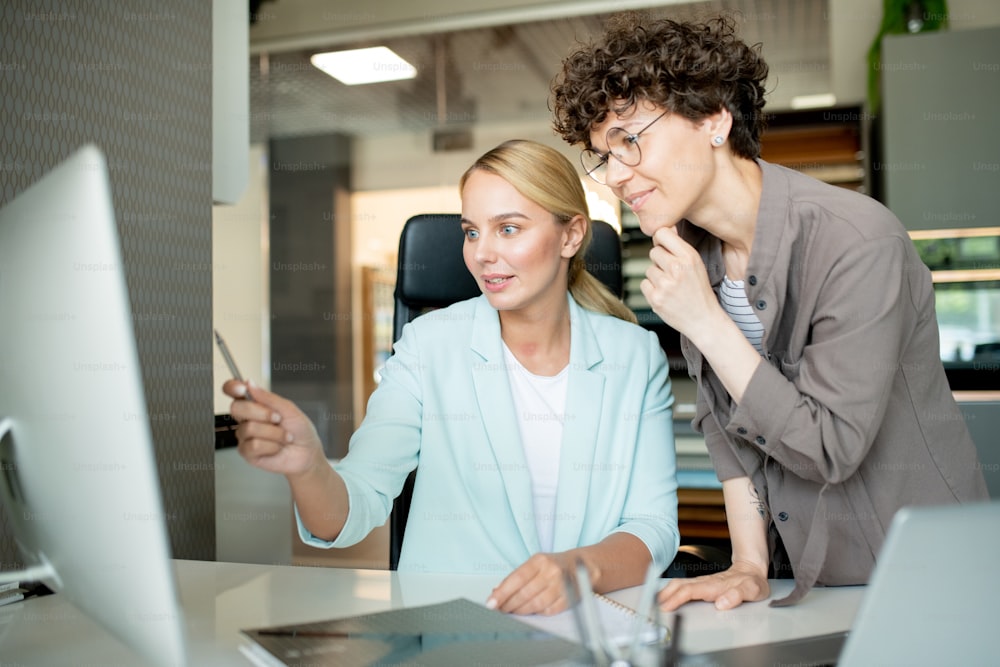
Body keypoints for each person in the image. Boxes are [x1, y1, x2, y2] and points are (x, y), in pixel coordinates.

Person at [550, 13, 989, 610]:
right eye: (604, 156)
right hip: (797, 573)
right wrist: (750, 563)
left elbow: (829, 446)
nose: (616, 178)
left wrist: (705, 321)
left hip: (921, 576)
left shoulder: (855, 241)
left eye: (631, 139)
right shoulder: (689, 256)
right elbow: (724, 427)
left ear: (714, 119)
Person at [223, 139, 680, 616]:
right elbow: (354, 507)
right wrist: (308, 467)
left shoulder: (633, 356)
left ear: (570, 236)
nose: (482, 254)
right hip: (456, 630)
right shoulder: (429, 346)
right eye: (471, 232)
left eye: (508, 228)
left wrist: (577, 570)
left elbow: (652, 524)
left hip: (590, 629)